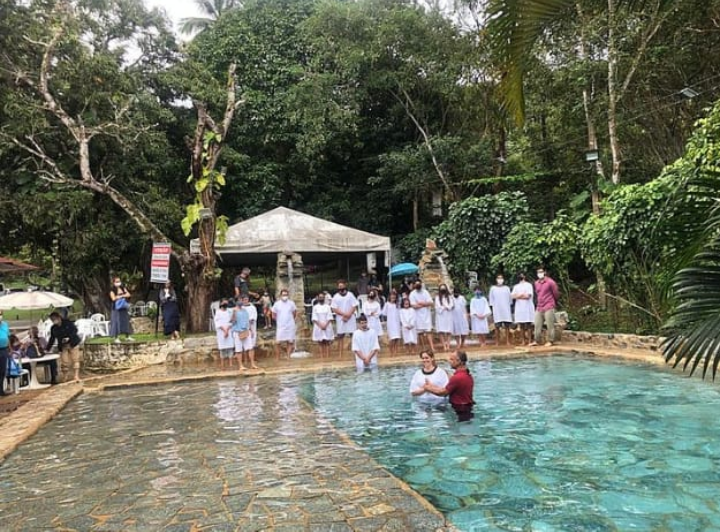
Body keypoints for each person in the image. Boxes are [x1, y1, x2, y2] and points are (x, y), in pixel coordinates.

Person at [423, 350, 475, 421]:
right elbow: (452, 387)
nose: (449, 361)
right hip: (467, 407)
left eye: (451, 359)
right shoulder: (467, 374)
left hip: (460, 410)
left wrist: (428, 388)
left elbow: (443, 393)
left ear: (458, 361)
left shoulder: (457, 377)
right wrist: (432, 386)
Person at [46, 311, 82, 382]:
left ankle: (76, 375)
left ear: (59, 318)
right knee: (64, 361)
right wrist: (47, 349)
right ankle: (65, 376)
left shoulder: (68, 323)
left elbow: (75, 330)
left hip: (73, 343)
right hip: (63, 345)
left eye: (54, 319)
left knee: (75, 359)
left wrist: (69, 337)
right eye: (52, 320)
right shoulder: (54, 328)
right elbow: (52, 338)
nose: (54, 321)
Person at [531, 267, 560, 347]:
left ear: (544, 272)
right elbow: (537, 293)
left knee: (550, 324)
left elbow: (556, 293)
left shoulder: (551, 282)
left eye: (541, 272)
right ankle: (536, 340)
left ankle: (550, 340)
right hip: (539, 306)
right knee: (537, 324)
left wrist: (553, 303)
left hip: (549, 305)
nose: (539, 274)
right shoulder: (536, 283)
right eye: (538, 272)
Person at [331, 280, 358, 358]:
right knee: (340, 336)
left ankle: (355, 353)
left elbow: (354, 305)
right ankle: (340, 355)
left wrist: (349, 315)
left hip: (350, 317)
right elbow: (334, 308)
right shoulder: (335, 296)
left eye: (342, 286)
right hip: (341, 318)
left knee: (353, 335)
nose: (341, 287)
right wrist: (344, 314)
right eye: (339, 286)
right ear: (337, 287)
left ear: (345, 285)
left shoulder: (350, 295)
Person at [409, 281, 436, 352]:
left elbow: (431, 302)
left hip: (426, 315)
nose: (418, 285)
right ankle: (423, 348)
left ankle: (432, 347)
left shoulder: (425, 292)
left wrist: (421, 303)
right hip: (417, 315)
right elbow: (413, 306)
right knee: (420, 333)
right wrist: (424, 304)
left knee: (429, 332)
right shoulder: (412, 294)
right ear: (414, 285)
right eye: (416, 284)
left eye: (419, 284)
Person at [272, 288, 297, 359]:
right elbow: (273, 314)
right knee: (278, 342)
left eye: (286, 295)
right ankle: (277, 357)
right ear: (280, 295)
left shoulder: (291, 303)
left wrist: (291, 320)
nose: (284, 296)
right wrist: (278, 320)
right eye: (283, 295)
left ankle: (288, 356)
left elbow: (294, 313)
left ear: (288, 295)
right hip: (281, 325)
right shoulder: (277, 304)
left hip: (290, 324)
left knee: (290, 341)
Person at [489, 274, 513, 346]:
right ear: (496, 279)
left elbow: (510, 300)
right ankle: (497, 342)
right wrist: (493, 310)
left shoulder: (507, 288)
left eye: (501, 278)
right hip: (497, 310)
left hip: (506, 310)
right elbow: (491, 301)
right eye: (498, 278)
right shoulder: (493, 288)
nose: (500, 279)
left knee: (507, 327)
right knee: (497, 327)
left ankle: (507, 341)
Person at [512, 273, 535, 345]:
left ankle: (529, 341)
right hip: (519, 307)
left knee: (528, 324)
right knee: (521, 324)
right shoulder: (516, 286)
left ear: (525, 276)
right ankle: (523, 341)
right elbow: (513, 296)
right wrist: (521, 295)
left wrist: (518, 296)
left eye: (522, 275)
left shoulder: (529, 285)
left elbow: (528, 296)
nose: (521, 277)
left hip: (527, 307)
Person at [109, 276, 133, 343]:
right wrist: (121, 296)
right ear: (114, 283)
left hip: (123, 307)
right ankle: (116, 337)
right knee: (116, 322)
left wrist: (121, 296)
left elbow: (128, 294)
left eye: (119, 281)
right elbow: (113, 298)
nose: (118, 283)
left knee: (126, 321)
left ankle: (127, 336)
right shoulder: (112, 290)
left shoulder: (122, 288)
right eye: (117, 281)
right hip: (116, 308)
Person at [312, 293, 335, 358]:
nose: (321, 298)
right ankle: (322, 357)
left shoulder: (327, 307)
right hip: (318, 326)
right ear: (318, 298)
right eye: (320, 297)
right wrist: (320, 325)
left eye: (322, 297)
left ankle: (328, 357)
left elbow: (330, 317)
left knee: (327, 341)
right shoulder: (315, 307)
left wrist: (325, 325)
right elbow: (314, 318)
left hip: (327, 325)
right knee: (320, 342)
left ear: (324, 298)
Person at [214, 298, 235, 370]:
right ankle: (222, 364)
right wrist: (224, 330)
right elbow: (217, 323)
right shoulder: (218, 312)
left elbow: (231, 321)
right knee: (222, 349)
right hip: (221, 332)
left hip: (229, 331)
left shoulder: (229, 311)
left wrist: (227, 330)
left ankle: (231, 363)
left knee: (230, 347)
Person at [231, 299, 251, 370]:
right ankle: (240, 366)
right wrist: (234, 313)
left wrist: (249, 329)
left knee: (250, 348)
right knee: (239, 349)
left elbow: (247, 320)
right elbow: (232, 322)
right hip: (237, 331)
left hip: (245, 330)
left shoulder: (244, 310)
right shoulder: (233, 310)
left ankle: (252, 364)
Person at [434, 284, 455, 352]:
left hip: (448, 315)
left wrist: (447, 307)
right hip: (441, 315)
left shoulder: (449, 297)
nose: (443, 290)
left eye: (444, 288)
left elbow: (452, 305)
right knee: (441, 331)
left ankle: (448, 345)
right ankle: (444, 346)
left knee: (449, 330)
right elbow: (437, 307)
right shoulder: (437, 298)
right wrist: (444, 307)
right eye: (441, 289)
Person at [382, 292, 402, 356]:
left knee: (397, 338)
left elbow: (400, 313)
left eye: (394, 296)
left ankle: (396, 352)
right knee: (392, 338)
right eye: (392, 296)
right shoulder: (387, 304)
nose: (393, 297)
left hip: (397, 322)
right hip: (391, 323)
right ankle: (391, 352)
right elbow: (384, 313)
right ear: (389, 297)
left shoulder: (397, 304)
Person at [0, 311, 10, 395]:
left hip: (4, 349)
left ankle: (1, 390)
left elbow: (7, 336)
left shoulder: (5, 324)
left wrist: (9, 348)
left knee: (3, 370)